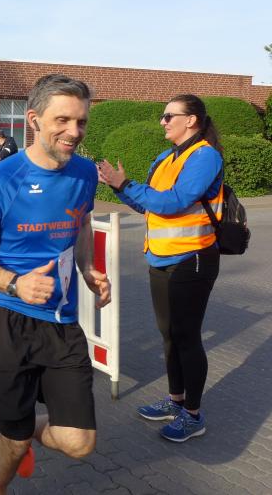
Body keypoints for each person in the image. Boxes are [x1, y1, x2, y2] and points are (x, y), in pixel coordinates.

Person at [0, 74, 111, 494]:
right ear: (34, 120)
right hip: (6, 319)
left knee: (79, 442)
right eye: (62, 120)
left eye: (81, 121)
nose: (74, 131)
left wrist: (87, 267)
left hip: (61, 321)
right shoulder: (1, 179)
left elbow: (81, 222)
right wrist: (15, 283)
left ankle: (26, 431)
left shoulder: (85, 172)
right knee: (13, 440)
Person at [98, 94, 223, 443]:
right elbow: (148, 205)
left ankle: (193, 416)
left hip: (192, 258)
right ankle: (175, 400)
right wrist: (119, 186)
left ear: (191, 120)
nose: (162, 121)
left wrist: (126, 184)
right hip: (159, 257)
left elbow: (175, 202)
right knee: (169, 336)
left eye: (169, 116)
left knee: (187, 336)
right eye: (163, 116)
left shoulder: (205, 156)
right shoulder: (164, 158)